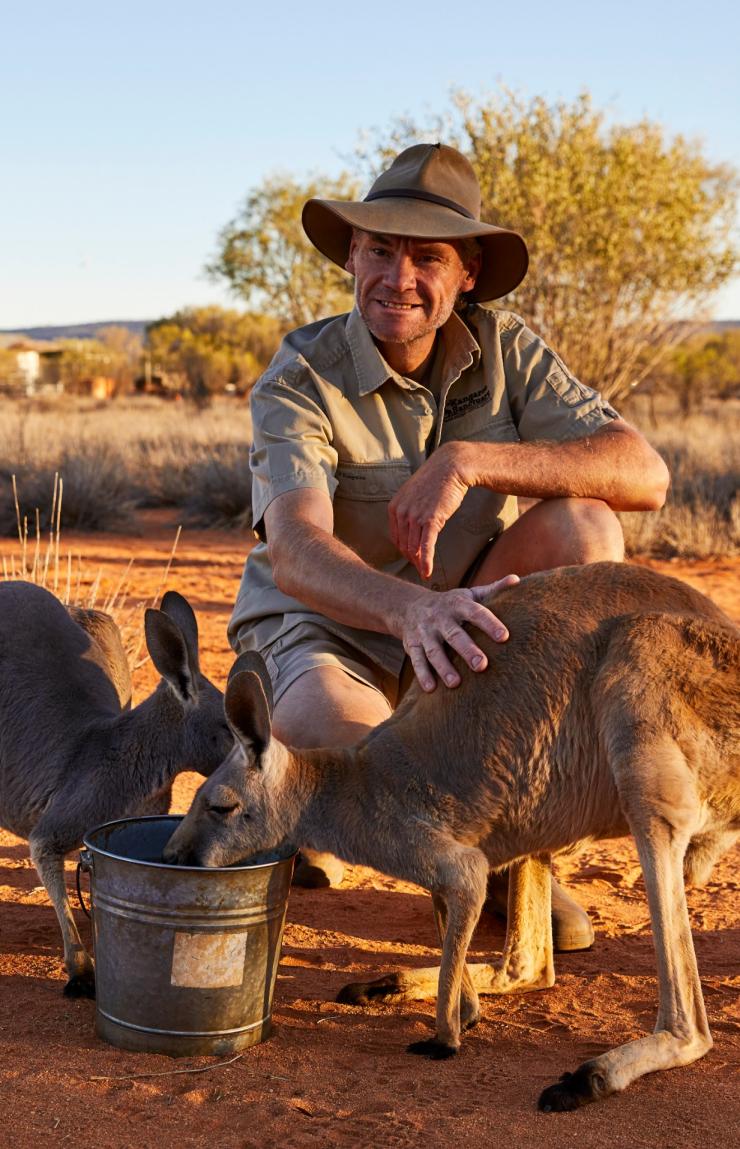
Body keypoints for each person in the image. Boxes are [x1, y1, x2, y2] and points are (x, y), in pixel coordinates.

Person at [229, 143, 669, 950]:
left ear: (468, 272)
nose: (397, 278)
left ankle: (506, 850)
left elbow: (644, 472)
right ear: (351, 255)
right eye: (379, 250)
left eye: (426, 257)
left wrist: (468, 460)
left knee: (587, 527)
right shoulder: (301, 375)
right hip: (324, 633)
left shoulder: (508, 350)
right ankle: (302, 805)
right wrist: (412, 612)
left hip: (461, 624)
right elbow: (294, 549)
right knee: (353, 747)